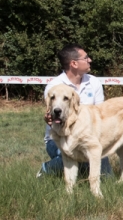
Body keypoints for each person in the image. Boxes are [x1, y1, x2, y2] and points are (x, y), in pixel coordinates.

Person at [38, 43, 112, 177]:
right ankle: (46, 169)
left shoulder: (94, 83)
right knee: (73, 156)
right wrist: (49, 119)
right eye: (86, 58)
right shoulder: (54, 87)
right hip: (58, 138)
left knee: (107, 177)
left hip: (88, 137)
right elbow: (50, 117)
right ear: (74, 64)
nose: (90, 60)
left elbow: (101, 114)